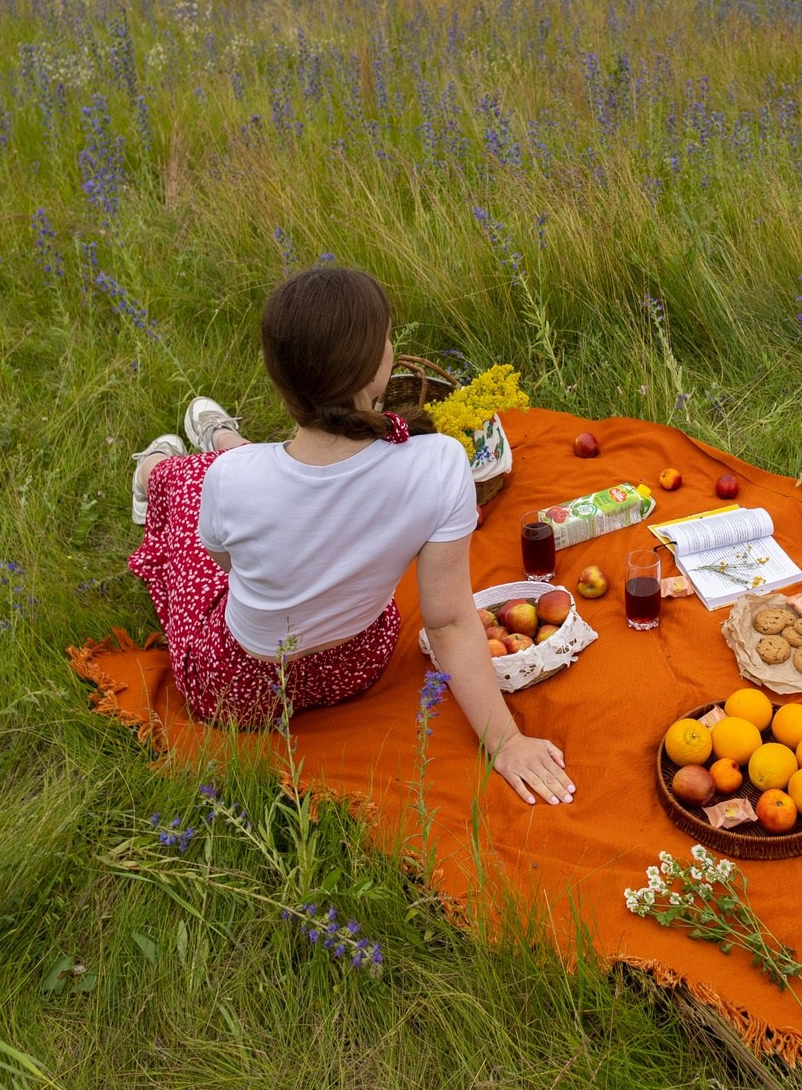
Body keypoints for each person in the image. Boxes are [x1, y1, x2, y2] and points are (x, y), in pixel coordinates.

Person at [126, 265, 575, 805]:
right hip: (356, 664)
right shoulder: (438, 462)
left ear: (281, 381)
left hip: (236, 693)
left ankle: (156, 468)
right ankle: (212, 441)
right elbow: (450, 620)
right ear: (375, 369)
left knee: (192, 482)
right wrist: (506, 741)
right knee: (225, 478)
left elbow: (226, 567)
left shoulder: (232, 480)